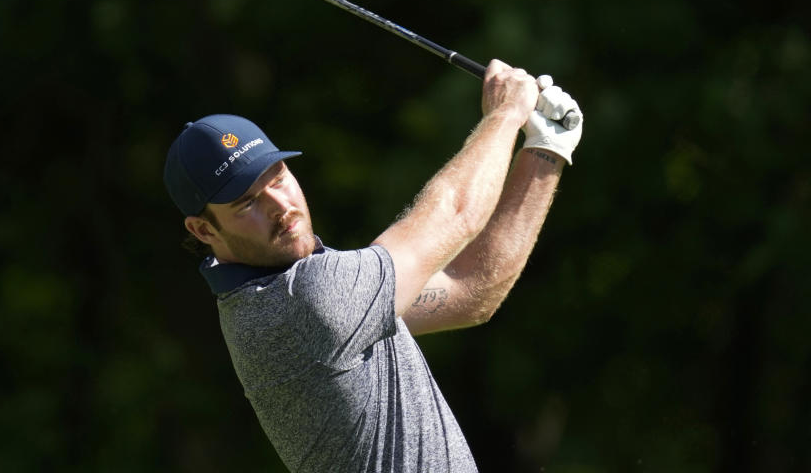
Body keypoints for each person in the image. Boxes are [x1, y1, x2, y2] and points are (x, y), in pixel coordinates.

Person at [163, 59, 583, 472]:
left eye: (277, 177)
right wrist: (507, 113)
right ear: (202, 230)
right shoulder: (301, 301)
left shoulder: (311, 292)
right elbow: (455, 213)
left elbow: (471, 290)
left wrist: (546, 151)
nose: (281, 205)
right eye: (248, 202)